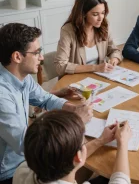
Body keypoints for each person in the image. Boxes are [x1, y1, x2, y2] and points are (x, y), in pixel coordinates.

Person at [0, 23, 92, 183]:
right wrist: (77, 121)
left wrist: (73, 108)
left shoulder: (21, 75)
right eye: (36, 53)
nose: (42, 57)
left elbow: (45, 98)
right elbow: (27, 143)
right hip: (12, 171)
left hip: (28, 160)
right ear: (17, 57)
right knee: (79, 159)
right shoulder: (2, 95)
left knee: (82, 159)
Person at [13, 110, 132, 184]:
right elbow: (121, 180)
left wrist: (101, 140)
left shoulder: (21, 171)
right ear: (78, 156)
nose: (85, 145)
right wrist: (122, 143)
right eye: (83, 141)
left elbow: (65, 153)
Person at [55, 0, 123, 77]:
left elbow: (114, 50)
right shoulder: (68, 31)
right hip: (76, 80)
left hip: (99, 78)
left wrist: (114, 59)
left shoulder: (104, 26)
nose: (100, 18)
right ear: (83, 14)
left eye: (103, 13)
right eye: (95, 14)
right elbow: (60, 66)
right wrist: (95, 68)